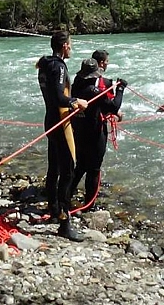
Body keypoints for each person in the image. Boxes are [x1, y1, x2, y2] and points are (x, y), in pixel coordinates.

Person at [36, 31, 88, 241]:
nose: (71, 48)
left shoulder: (45, 64)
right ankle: (64, 222)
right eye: (70, 44)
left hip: (51, 119)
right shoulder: (58, 66)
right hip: (61, 122)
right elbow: (59, 96)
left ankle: (54, 209)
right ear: (65, 46)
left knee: (54, 168)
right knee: (68, 171)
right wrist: (76, 102)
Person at [70, 56, 126, 212]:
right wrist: (121, 89)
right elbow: (113, 106)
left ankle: (66, 195)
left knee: (80, 165)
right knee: (94, 169)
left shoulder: (76, 85)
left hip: (79, 130)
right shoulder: (93, 91)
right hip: (94, 132)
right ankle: (89, 204)